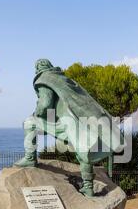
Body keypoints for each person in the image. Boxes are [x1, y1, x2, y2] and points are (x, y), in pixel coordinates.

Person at [15, 59, 121, 197]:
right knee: (83, 149)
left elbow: (45, 103)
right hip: (77, 119)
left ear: (37, 69)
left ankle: (30, 158)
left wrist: (37, 114)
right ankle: (88, 187)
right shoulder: (62, 78)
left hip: (64, 121)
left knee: (29, 122)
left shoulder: (44, 79)